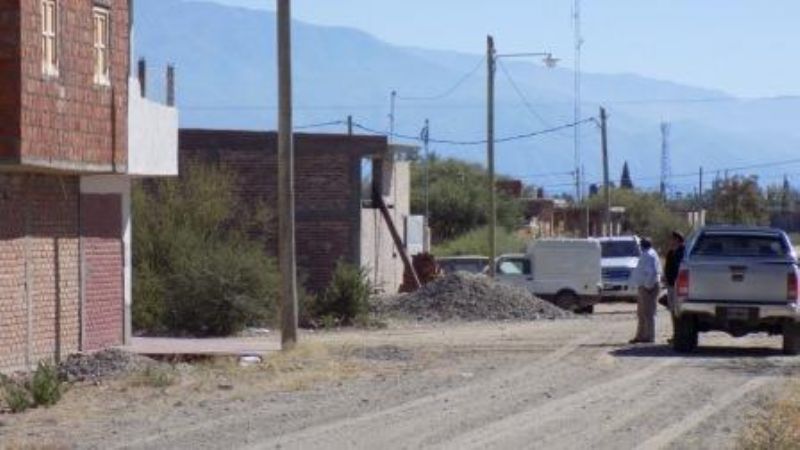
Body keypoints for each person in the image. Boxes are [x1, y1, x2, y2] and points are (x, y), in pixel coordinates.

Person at [630, 237, 662, 344]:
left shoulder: (648, 255)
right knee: (642, 313)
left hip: (648, 288)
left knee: (648, 313)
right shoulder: (649, 253)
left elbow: (652, 273)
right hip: (644, 286)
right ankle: (641, 335)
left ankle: (649, 337)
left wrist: (647, 286)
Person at [664, 231, 686, 318]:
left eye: (672, 239)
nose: (671, 241)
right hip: (671, 283)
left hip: (680, 285)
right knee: (672, 308)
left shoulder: (684, 252)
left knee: (679, 308)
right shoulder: (671, 252)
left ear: (677, 239)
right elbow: (667, 267)